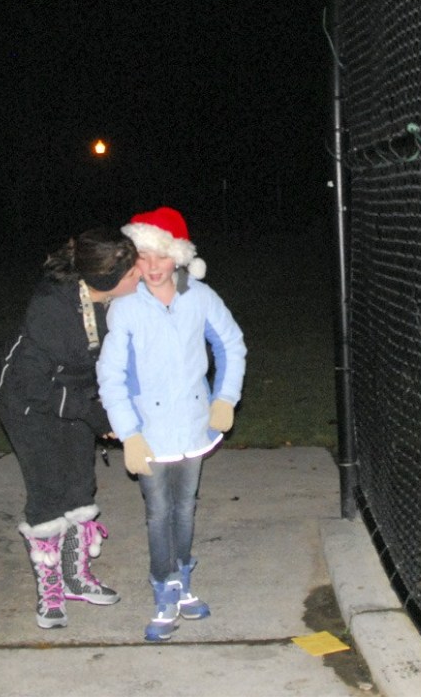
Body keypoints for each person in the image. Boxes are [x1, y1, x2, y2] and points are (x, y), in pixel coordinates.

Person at [96, 206, 247, 642]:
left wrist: (225, 398)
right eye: (142, 257)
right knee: (158, 510)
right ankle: (162, 587)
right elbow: (112, 376)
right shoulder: (124, 308)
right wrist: (129, 433)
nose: (153, 267)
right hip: (150, 433)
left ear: (178, 257)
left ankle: (183, 581)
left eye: (161, 256)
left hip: (194, 424)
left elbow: (232, 345)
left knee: (186, 505)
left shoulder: (201, 297)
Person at [0, 226, 140, 630]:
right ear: (106, 278)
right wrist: (94, 415)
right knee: (48, 492)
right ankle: (50, 587)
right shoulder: (51, 308)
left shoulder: (112, 301)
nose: (139, 277)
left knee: (79, 486)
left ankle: (76, 578)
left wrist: (110, 409)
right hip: (28, 402)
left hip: (74, 395)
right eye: (131, 273)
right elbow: (34, 386)